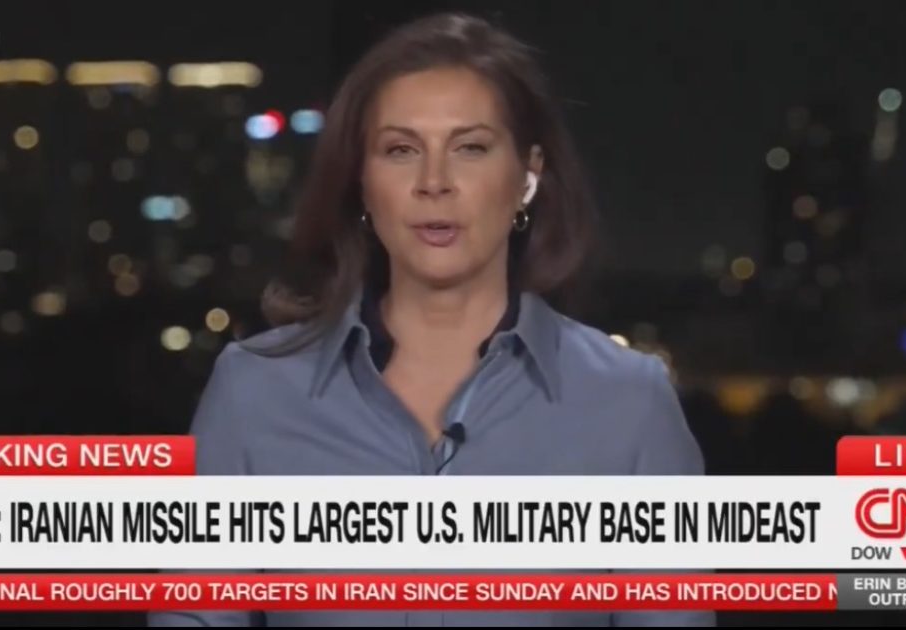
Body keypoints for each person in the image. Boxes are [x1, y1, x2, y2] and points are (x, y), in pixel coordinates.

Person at [149, 11, 711, 627]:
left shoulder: (629, 405)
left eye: (470, 148)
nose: (434, 182)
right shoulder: (253, 393)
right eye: (401, 150)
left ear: (527, 176)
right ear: (362, 183)